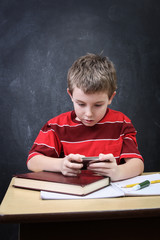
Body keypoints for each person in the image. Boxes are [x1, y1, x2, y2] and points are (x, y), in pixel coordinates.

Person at [27, 53, 144, 181]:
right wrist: (60, 165)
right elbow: (33, 161)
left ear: (111, 98)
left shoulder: (121, 123)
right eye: (81, 104)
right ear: (70, 95)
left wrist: (118, 172)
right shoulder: (56, 126)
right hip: (70, 197)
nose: (89, 113)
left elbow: (137, 164)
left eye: (98, 105)